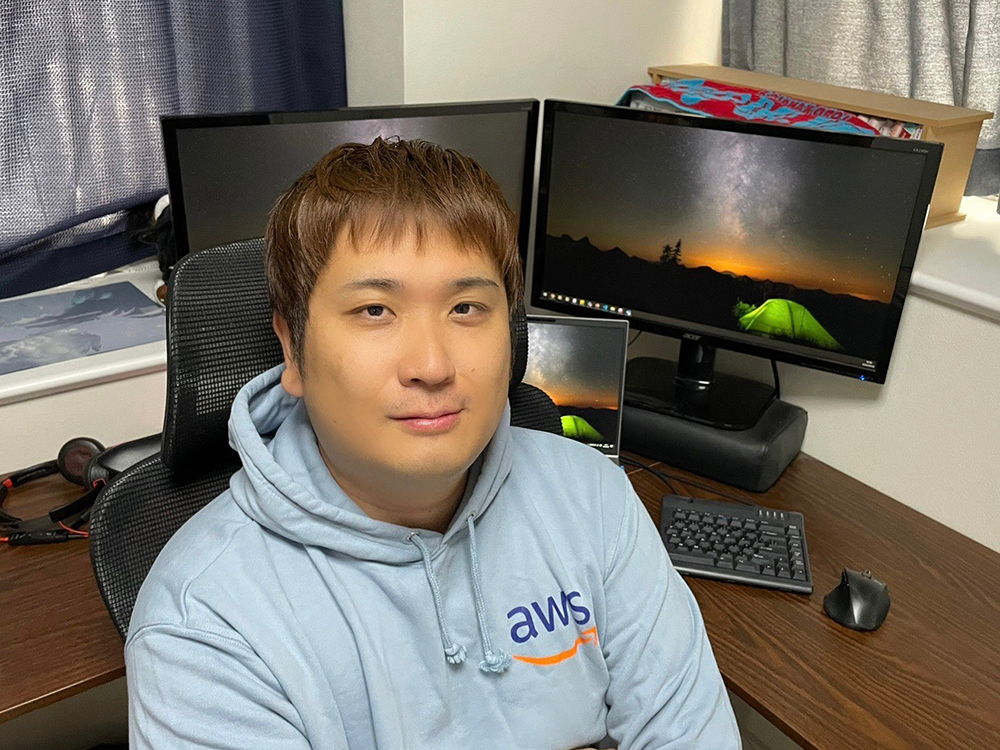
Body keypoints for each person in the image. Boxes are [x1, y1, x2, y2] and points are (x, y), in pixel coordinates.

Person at [125, 137, 741, 749]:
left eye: (468, 307)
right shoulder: (203, 621)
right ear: (292, 346)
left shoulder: (594, 497)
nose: (431, 364)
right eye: (374, 311)